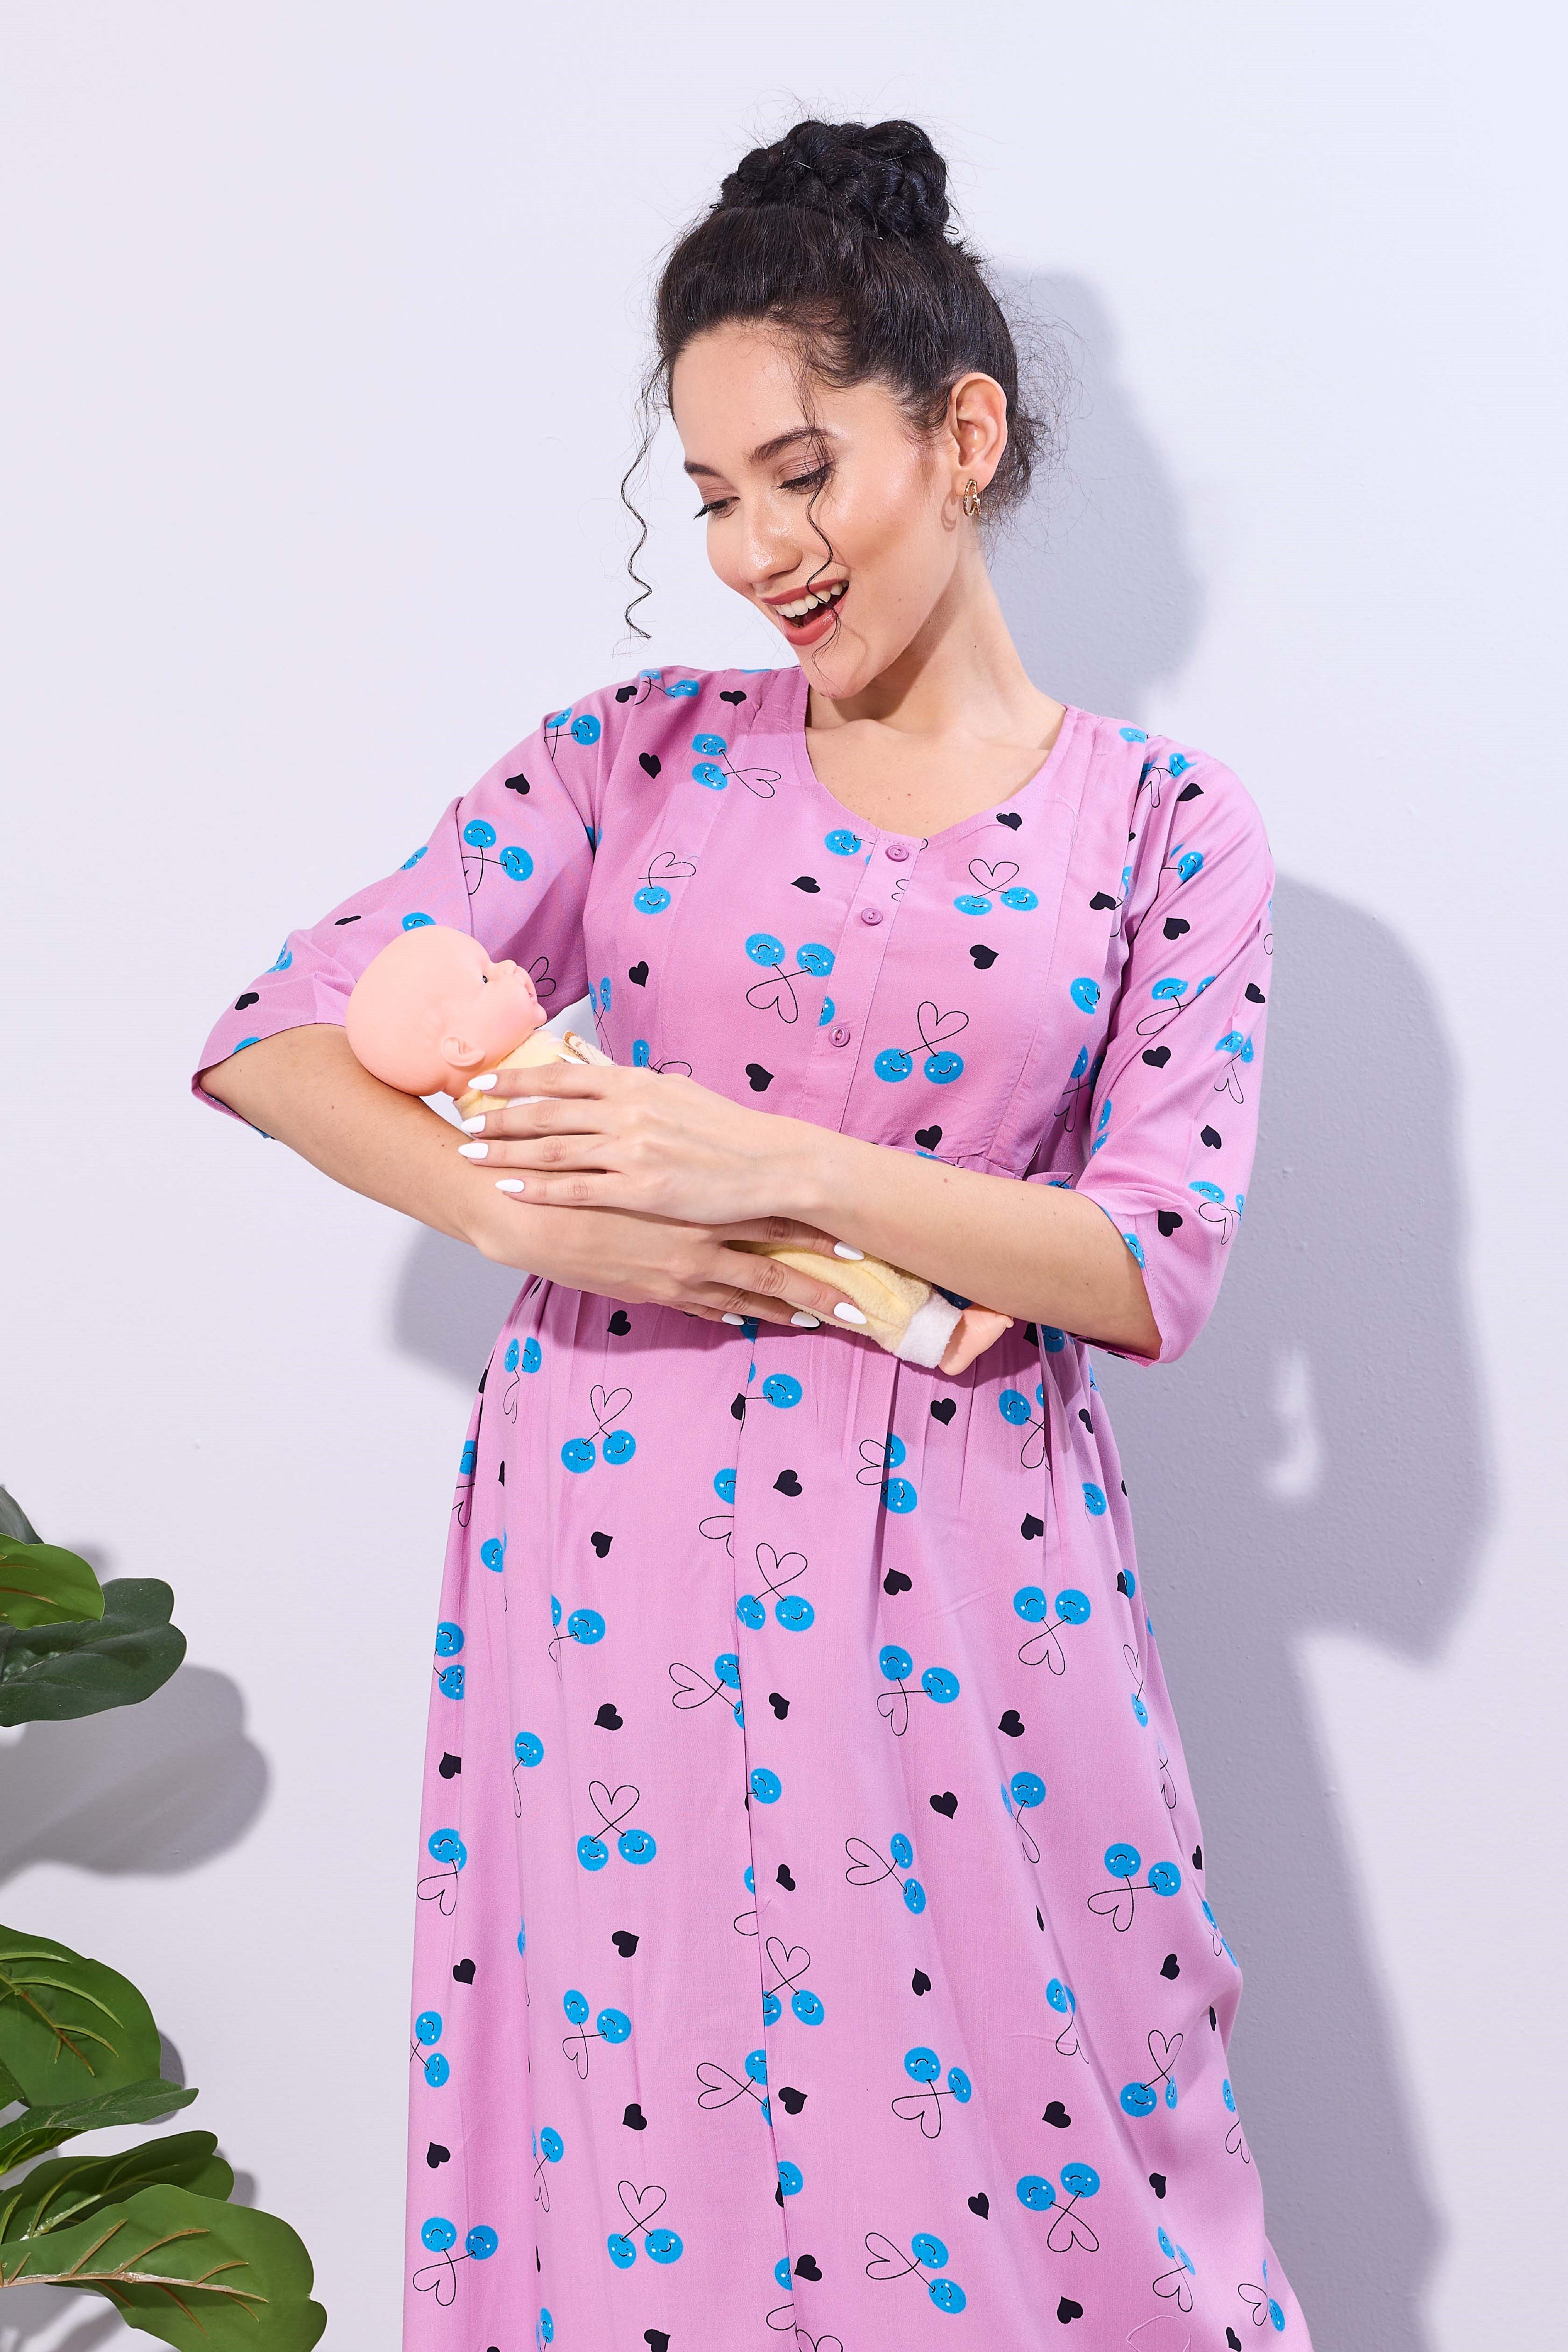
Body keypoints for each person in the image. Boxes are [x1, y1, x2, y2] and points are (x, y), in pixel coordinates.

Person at [194, 114, 1307, 2352]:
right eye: (711, 497)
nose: (755, 551)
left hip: (976, 1573)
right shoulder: (633, 760)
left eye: (801, 474)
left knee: (1052, 2143)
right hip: (617, 1548)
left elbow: (1150, 1266)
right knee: (649, 2138)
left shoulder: (1168, 825)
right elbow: (277, 1032)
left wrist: (763, 1164)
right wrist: (539, 1211)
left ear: (961, 434)